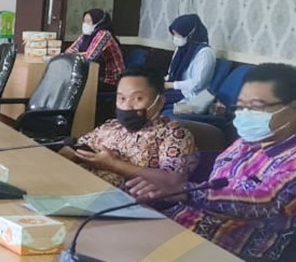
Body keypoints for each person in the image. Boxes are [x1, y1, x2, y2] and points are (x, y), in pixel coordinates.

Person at [127, 63, 296, 262]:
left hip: (224, 256)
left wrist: (184, 191)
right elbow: (215, 184)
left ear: (294, 108)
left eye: (256, 107)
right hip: (181, 229)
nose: (245, 114)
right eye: (241, 106)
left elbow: (262, 201)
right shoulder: (246, 142)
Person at [60, 68, 196, 189]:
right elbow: (81, 146)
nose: (127, 106)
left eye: (138, 99)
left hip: (123, 202)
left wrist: (114, 165)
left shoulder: (173, 134)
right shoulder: (111, 126)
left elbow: (174, 181)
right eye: (122, 98)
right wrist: (72, 153)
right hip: (78, 187)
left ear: (159, 102)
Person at [164, 13, 217, 108]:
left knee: (154, 99)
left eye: (178, 34)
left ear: (190, 33)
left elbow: (197, 84)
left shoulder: (205, 53)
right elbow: (172, 73)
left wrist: (171, 85)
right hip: (177, 90)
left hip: (192, 95)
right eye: (174, 34)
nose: (175, 37)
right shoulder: (181, 49)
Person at [65, 8, 124, 88]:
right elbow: (68, 52)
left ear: (98, 22)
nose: (85, 24)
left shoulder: (104, 34)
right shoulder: (86, 35)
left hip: (109, 80)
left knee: (74, 85)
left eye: (89, 21)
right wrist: (72, 53)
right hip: (93, 75)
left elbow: (90, 58)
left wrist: (76, 54)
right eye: (84, 21)